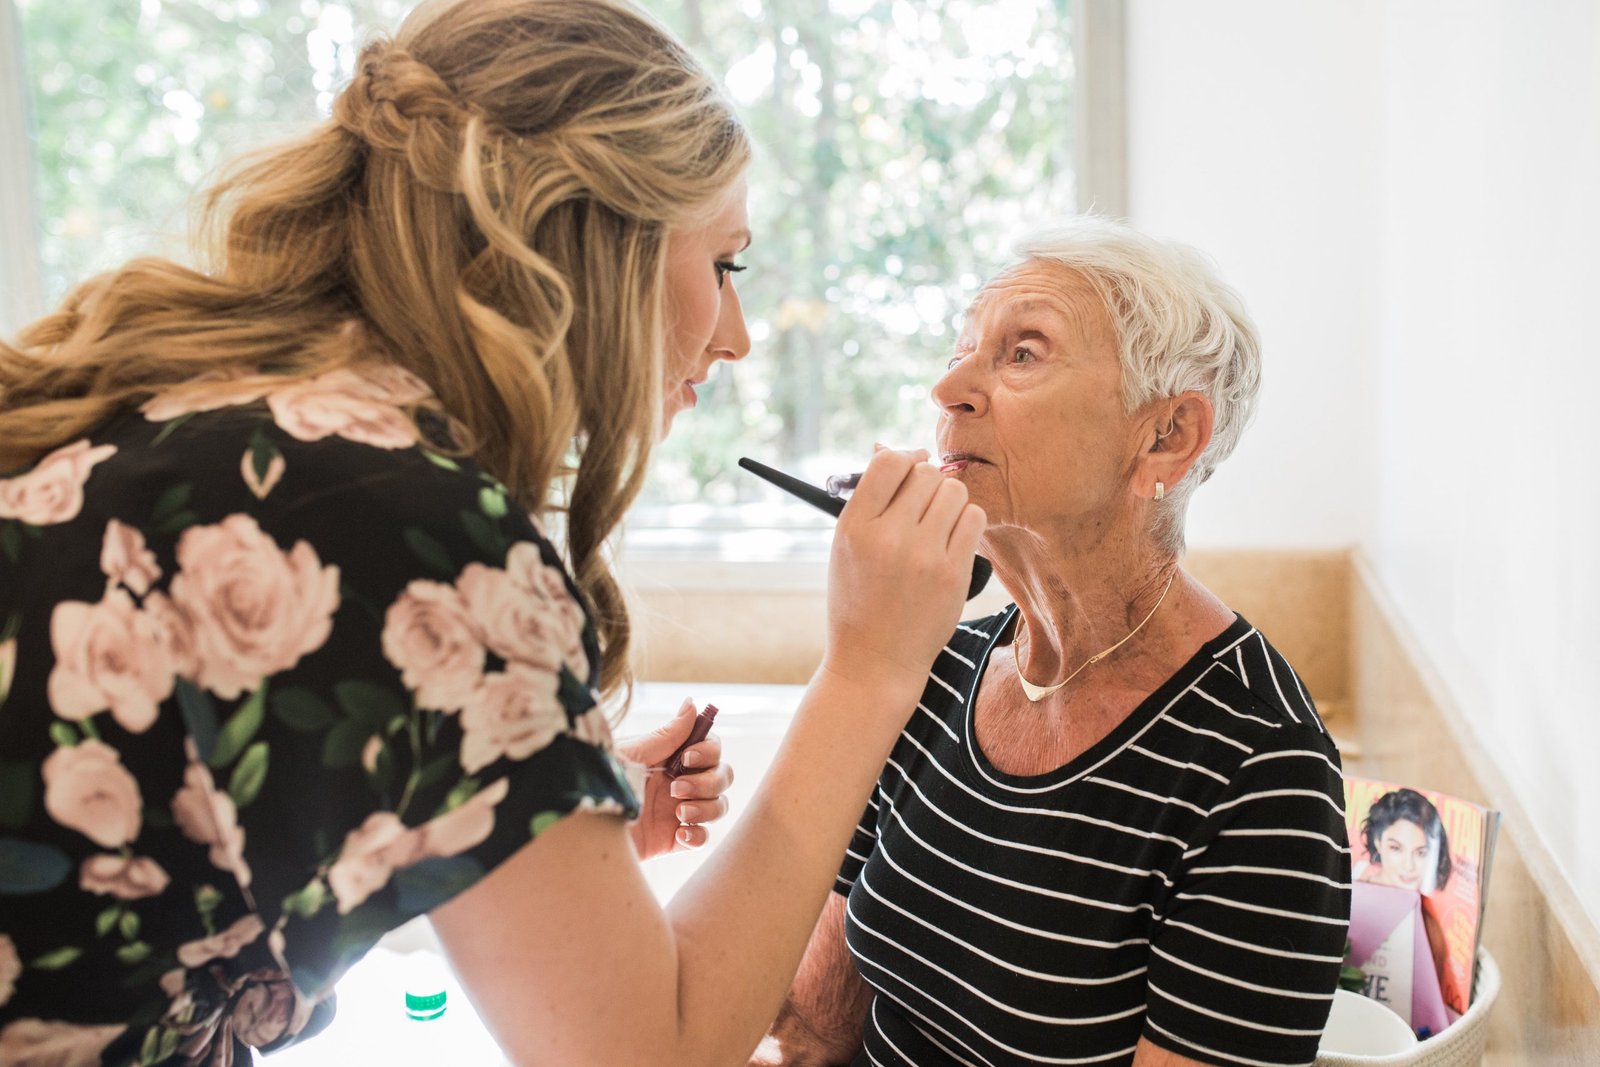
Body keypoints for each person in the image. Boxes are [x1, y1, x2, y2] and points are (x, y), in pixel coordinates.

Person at [0, 1, 985, 1064]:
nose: (736, 337)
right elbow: (649, 1051)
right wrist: (872, 667)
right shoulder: (396, 518)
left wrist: (523, 819)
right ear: (595, 242)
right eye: (726, 264)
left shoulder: (229, 412)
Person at [756, 219, 1352, 1067]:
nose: (948, 387)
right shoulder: (933, 668)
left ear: (1167, 435)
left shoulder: (1258, 769)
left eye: (1022, 352)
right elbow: (813, 1033)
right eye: (963, 348)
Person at [1359, 788, 1452, 894]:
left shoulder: (1429, 905)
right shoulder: (1352, 875)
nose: (1409, 866)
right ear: (1378, 843)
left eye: (1421, 853)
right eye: (1396, 848)